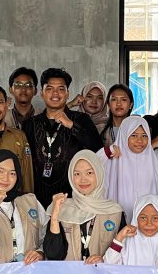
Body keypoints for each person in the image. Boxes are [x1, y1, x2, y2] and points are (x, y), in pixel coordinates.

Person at [21, 67, 104, 205]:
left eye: (61, 89)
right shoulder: (30, 124)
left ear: (67, 93)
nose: (55, 93)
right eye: (50, 88)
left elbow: (98, 148)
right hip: (37, 198)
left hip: (72, 198)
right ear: (41, 93)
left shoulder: (81, 119)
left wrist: (72, 125)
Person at [43, 151, 123, 263]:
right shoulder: (60, 207)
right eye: (77, 174)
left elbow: (125, 254)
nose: (83, 179)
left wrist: (104, 260)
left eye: (89, 173)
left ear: (99, 173)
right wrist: (55, 217)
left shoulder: (114, 211)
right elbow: (53, 255)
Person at [100, 116, 158, 223]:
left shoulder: (153, 162)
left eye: (144, 135)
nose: (139, 140)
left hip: (147, 224)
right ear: (124, 135)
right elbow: (91, 164)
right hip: (117, 221)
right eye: (133, 135)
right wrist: (107, 151)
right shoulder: (113, 157)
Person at [104, 195, 158, 266]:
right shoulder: (125, 243)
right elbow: (108, 266)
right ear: (136, 219)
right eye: (143, 218)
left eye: (155, 218)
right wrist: (119, 237)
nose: (149, 223)